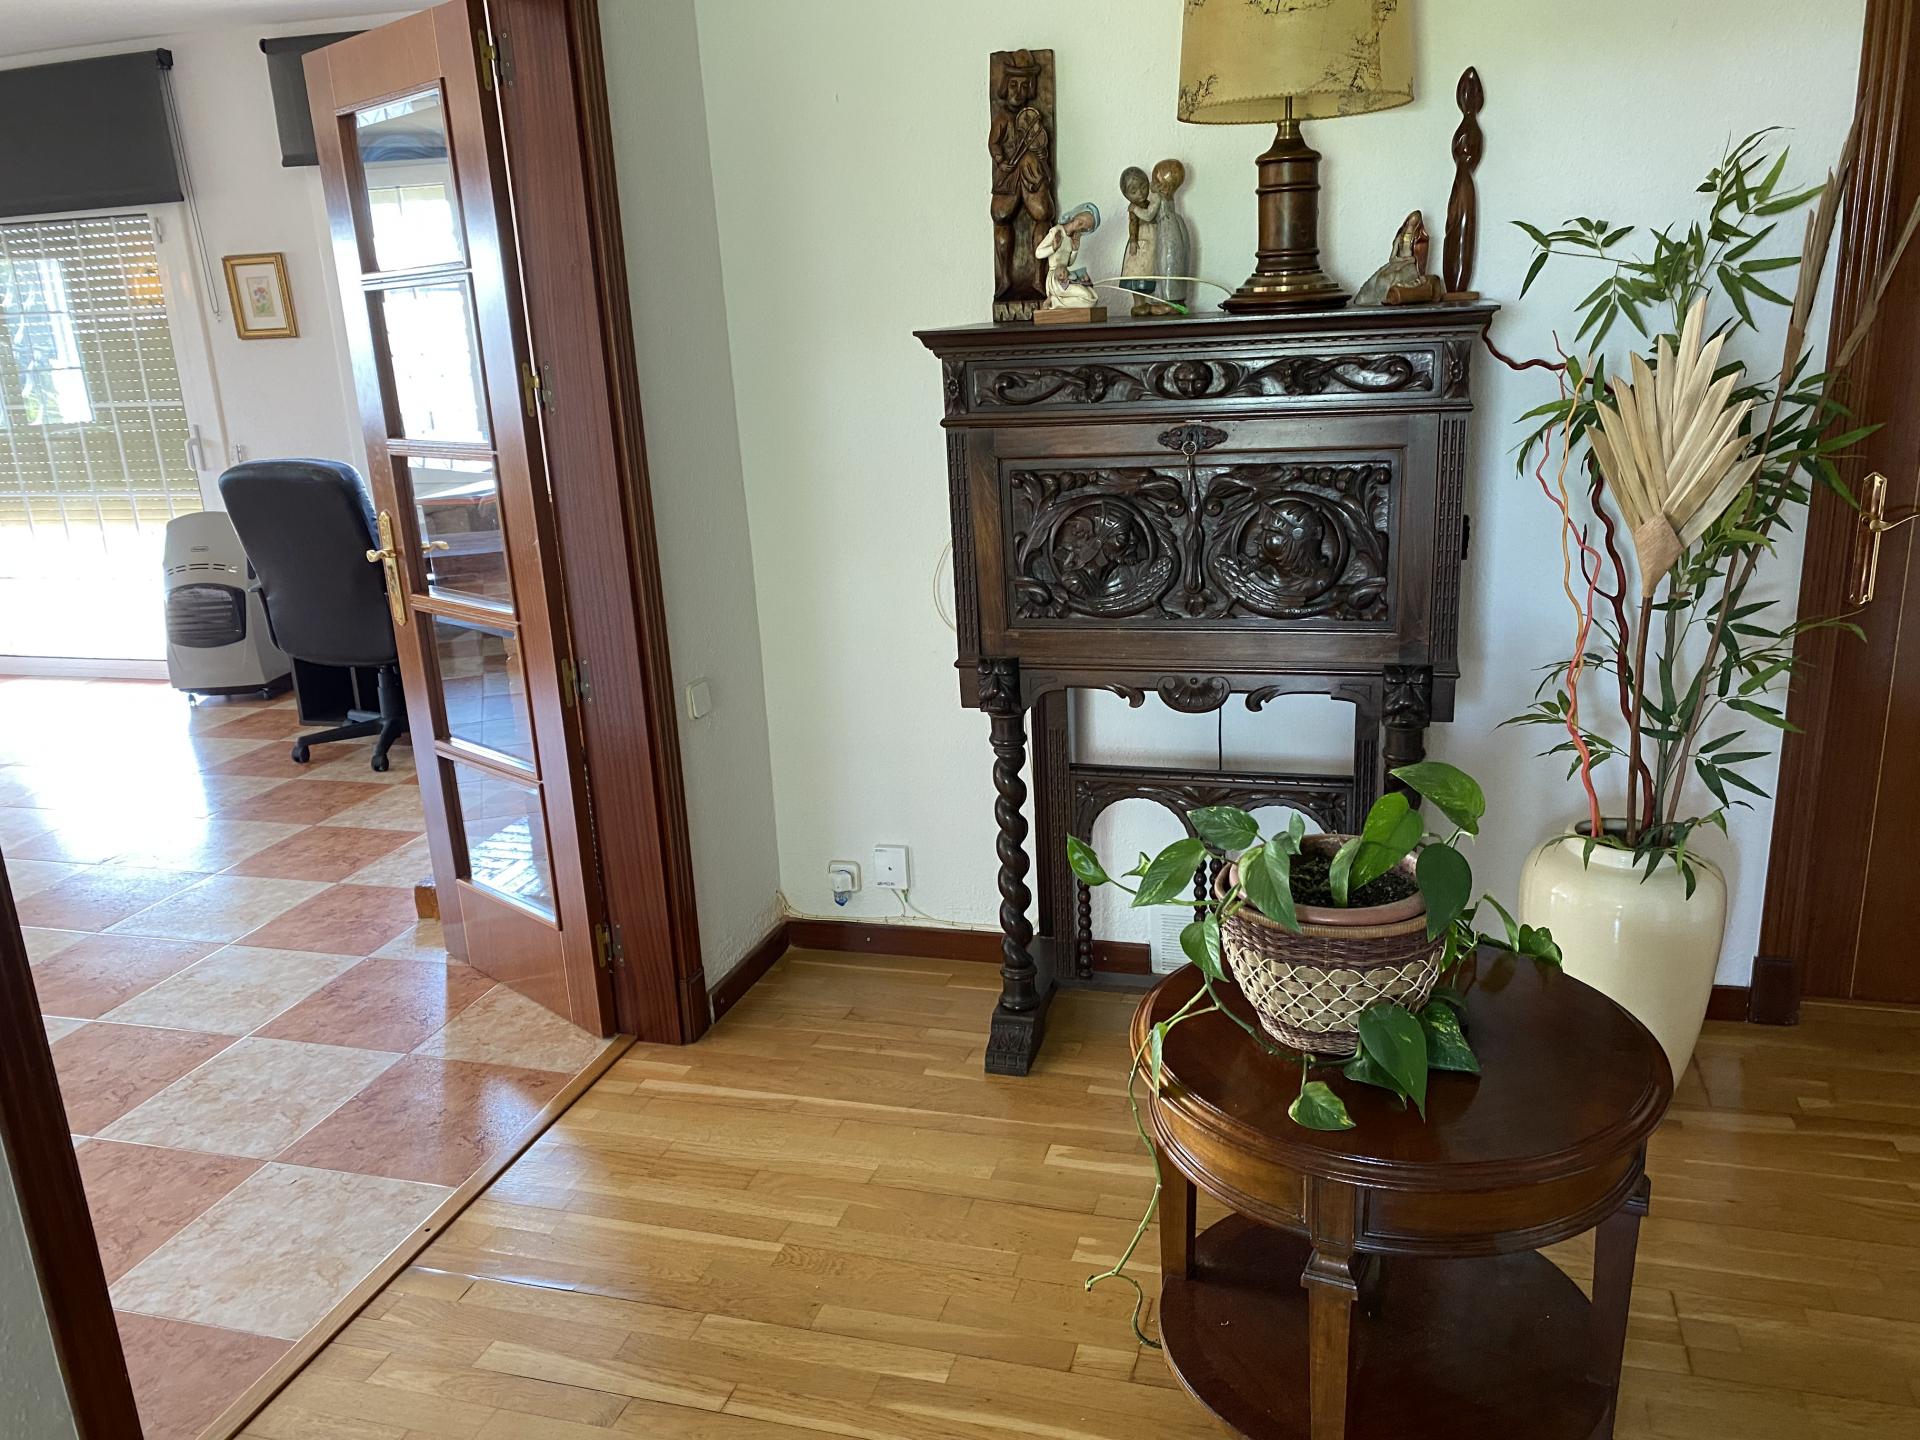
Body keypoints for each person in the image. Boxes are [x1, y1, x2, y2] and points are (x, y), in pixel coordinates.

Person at [1036, 203, 1101, 310]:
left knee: (1092, 294)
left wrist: (1075, 250)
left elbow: (1069, 263)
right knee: (1090, 298)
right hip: (1057, 278)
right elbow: (1038, 253)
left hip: (1066, 275)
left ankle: (1055, 301)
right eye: (1081, 222)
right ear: (1076, 215)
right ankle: (1054, 301)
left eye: (1084, 228)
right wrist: (1053, 248)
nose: (1080, 227)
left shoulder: (1072, 239)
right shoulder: (1056, 231)